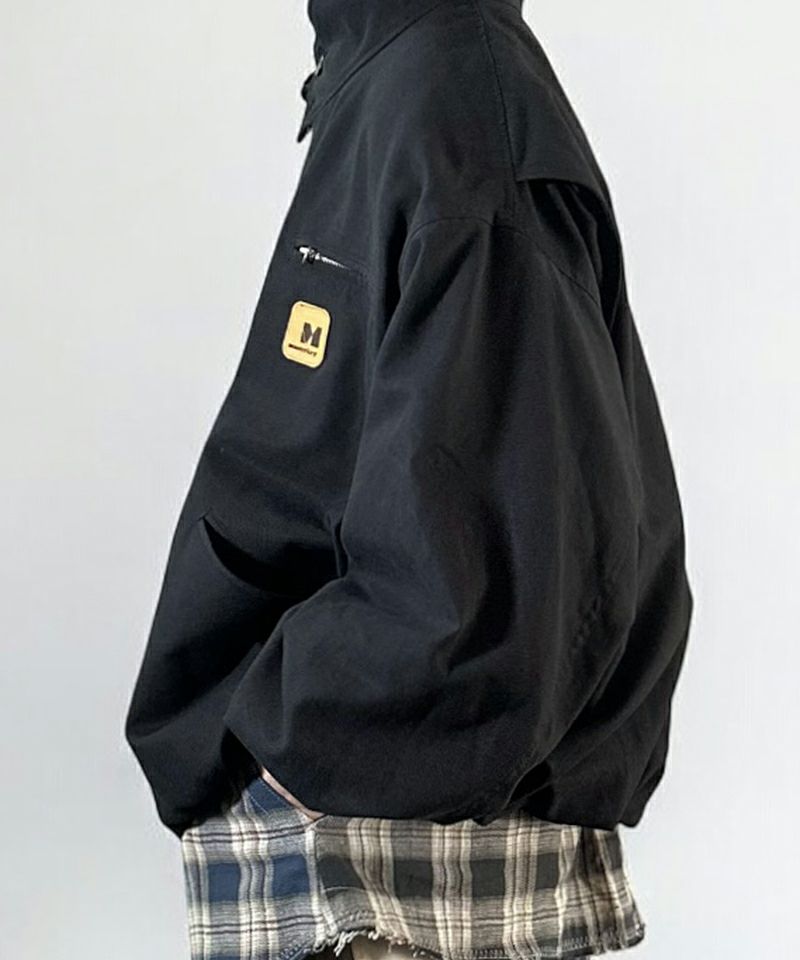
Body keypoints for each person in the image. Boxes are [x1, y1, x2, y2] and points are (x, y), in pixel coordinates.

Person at [125, 1, 694, 958]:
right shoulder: (403, 82)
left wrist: (291, 745)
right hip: (348, 817)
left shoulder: (458, 104)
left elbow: (512, 558)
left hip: (387, 854)